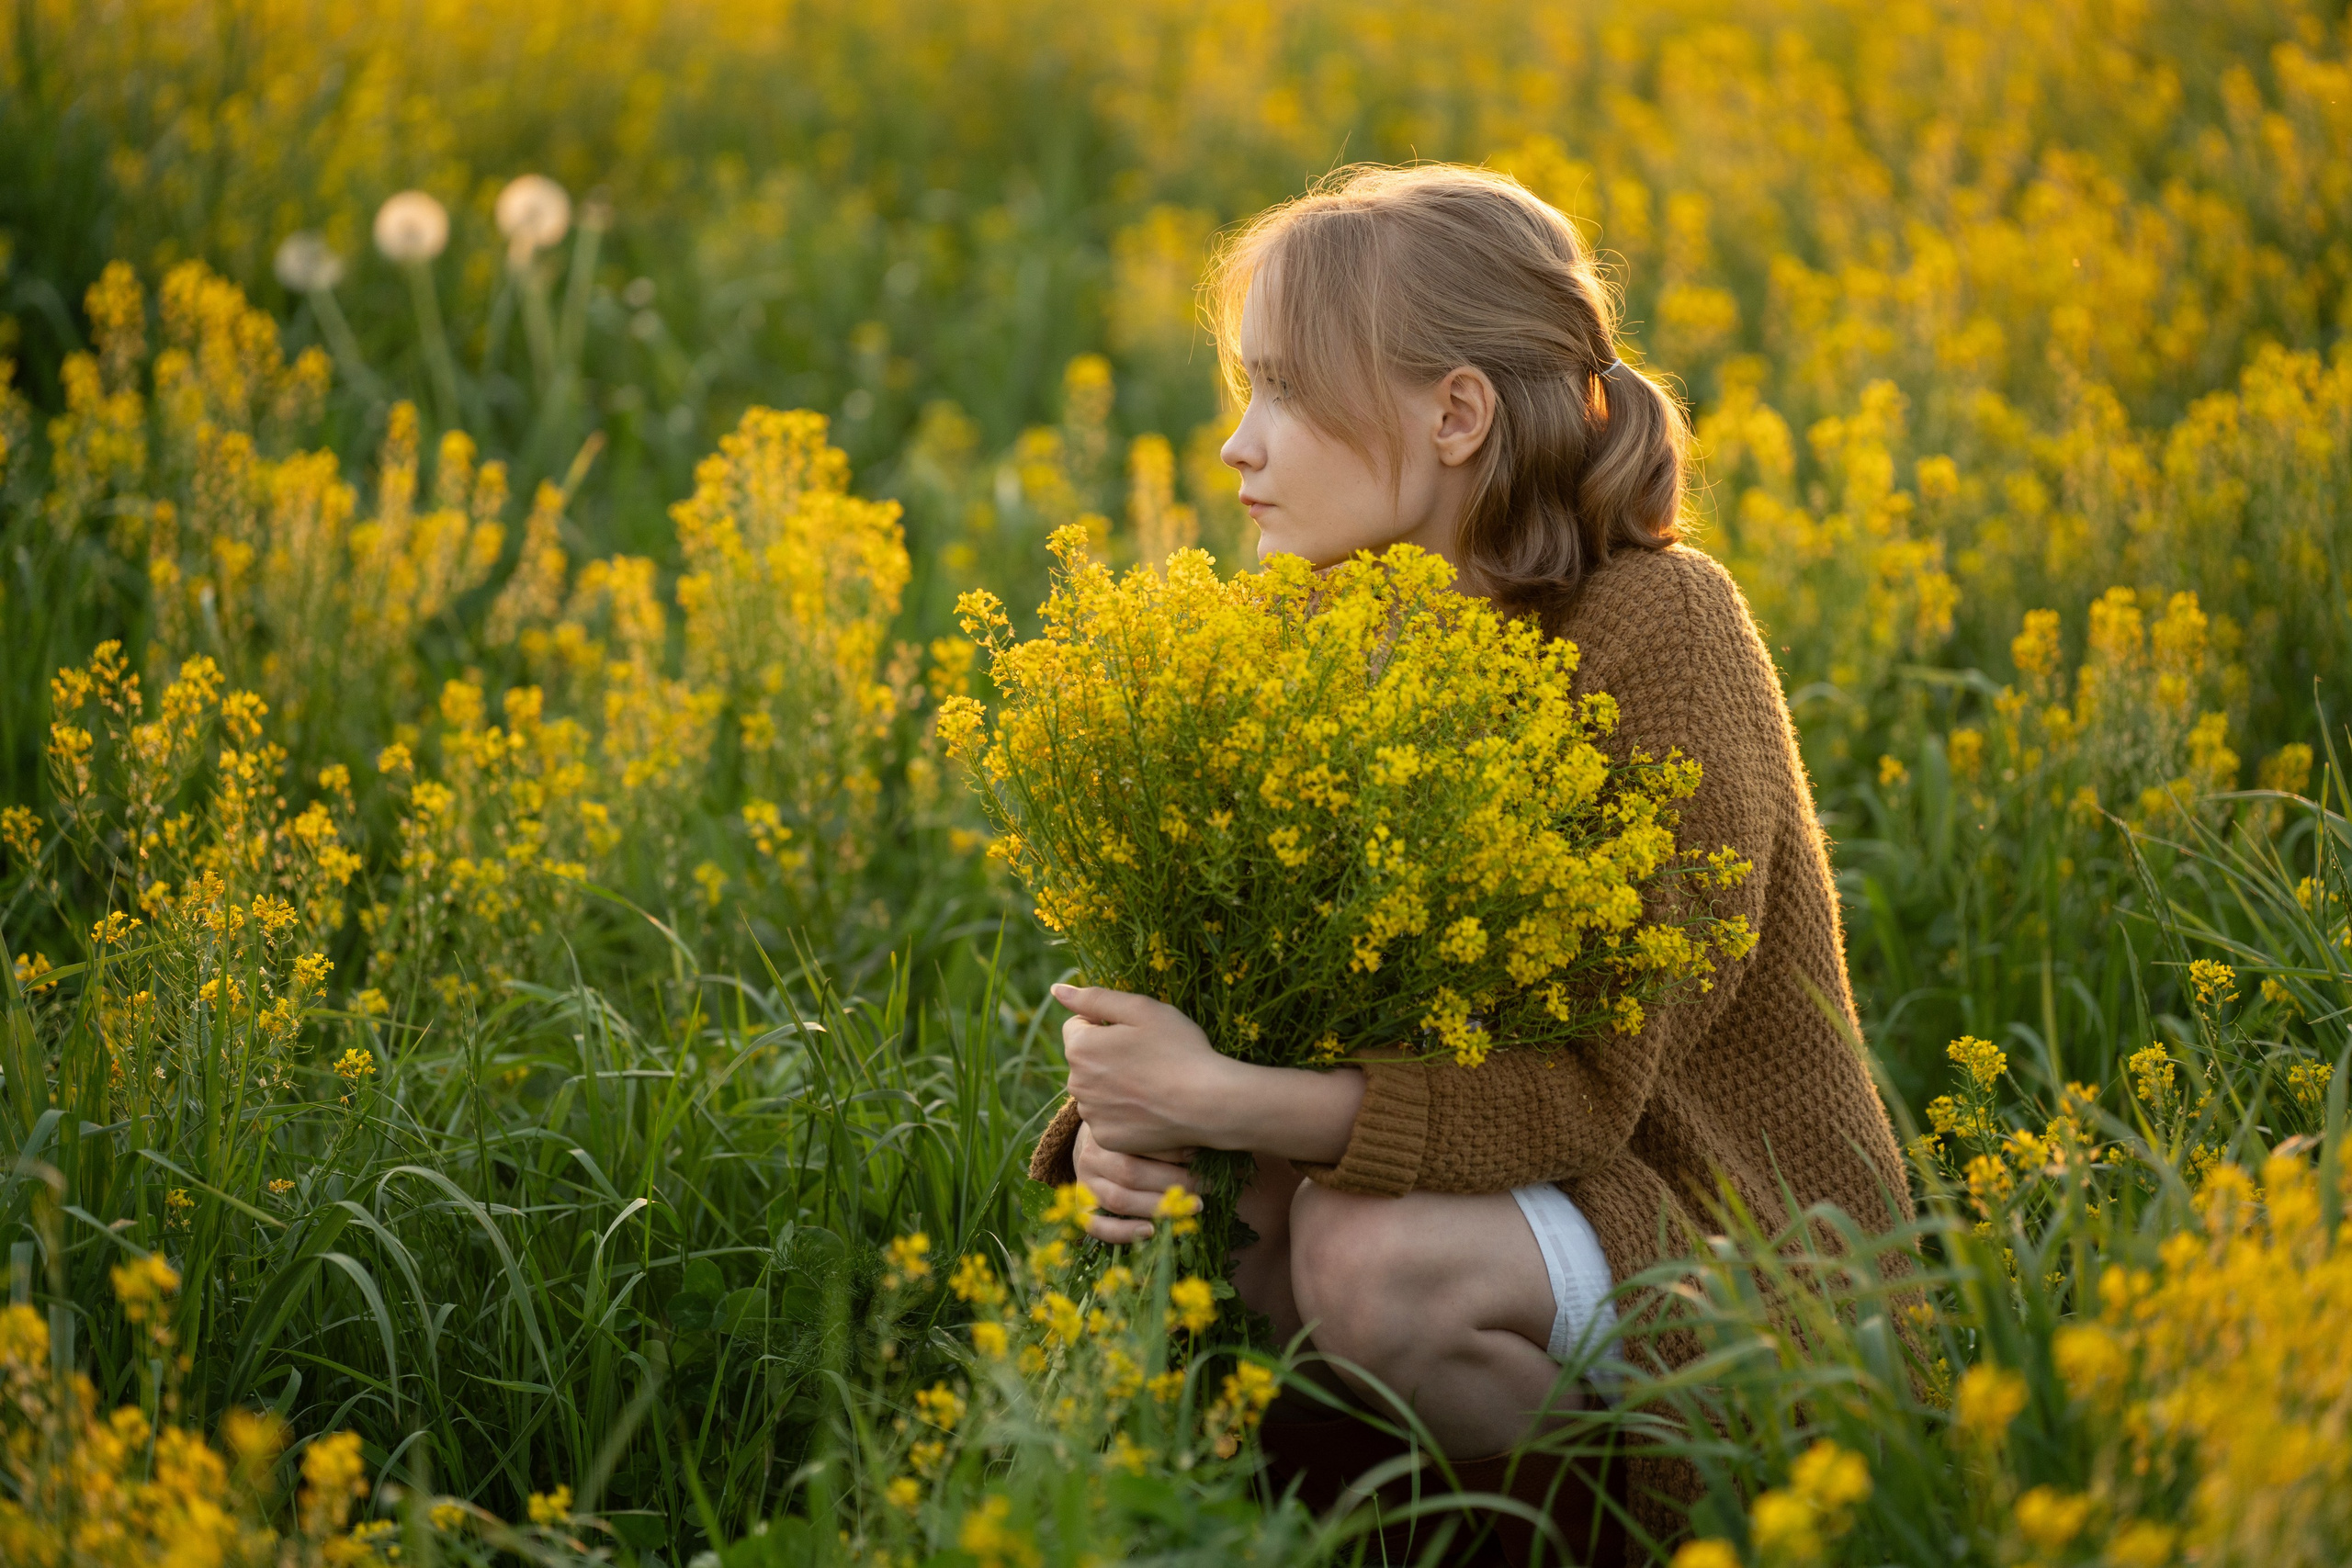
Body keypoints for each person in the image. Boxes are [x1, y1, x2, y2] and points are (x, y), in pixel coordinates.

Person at [1025, 163, 1911, 1560]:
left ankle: (1645, 1535)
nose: (1237, 448)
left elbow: (1588, 1098)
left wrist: (1223, 1092)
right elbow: (1246, 998)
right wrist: (1131, 1121)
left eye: (1284, 392)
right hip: (1510, 1205)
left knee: (1366, 1258)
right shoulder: (1308, 636)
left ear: (1455, 414)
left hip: (1714, 1233)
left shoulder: (1658, 628)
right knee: (1245, 1220)